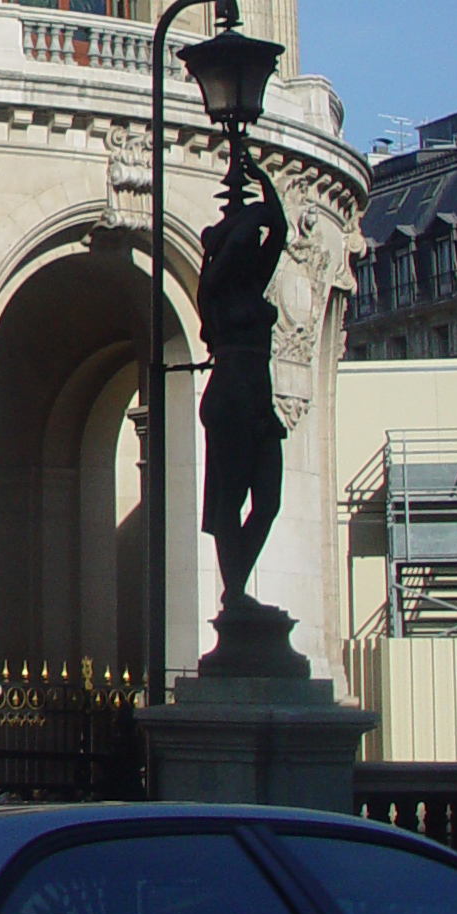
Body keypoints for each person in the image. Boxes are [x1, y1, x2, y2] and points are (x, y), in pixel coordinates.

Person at [196, 147, 290, 606]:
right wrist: (245, 219)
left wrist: (262, 183)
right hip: (231, 392)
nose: (254, 246)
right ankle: (234, 592)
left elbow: (281, 229)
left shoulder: (251, 283)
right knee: (229, 499)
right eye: (244, 240)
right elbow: (240, 246)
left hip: (258, 397)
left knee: (268, 501)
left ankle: (236, 586)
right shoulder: (215, 288)